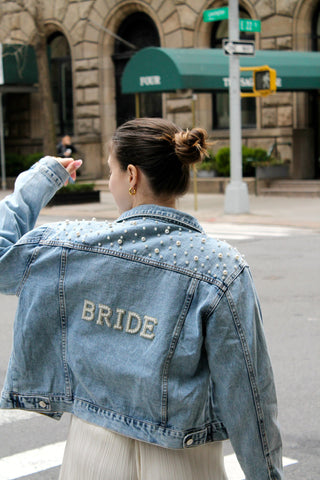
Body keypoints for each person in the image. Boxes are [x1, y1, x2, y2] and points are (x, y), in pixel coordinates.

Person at [0, 118, 283, 480]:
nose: (110, 181)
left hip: (92, 453)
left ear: (131, 176)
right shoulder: (221, 268)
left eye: (111, 171)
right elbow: (248, 392)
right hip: (184, 458)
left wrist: (41, 178)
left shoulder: (70, 246)